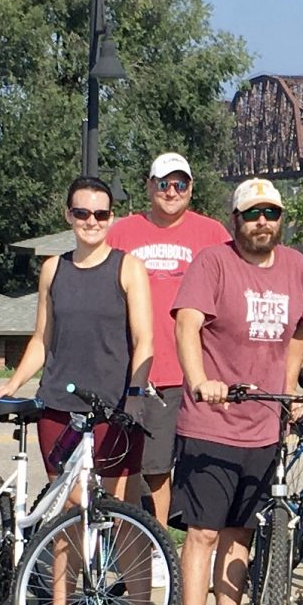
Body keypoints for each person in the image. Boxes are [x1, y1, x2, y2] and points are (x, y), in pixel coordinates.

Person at [171, 178, 303, 605]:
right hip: (212, 422)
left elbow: (301, 327)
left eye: (271, 214)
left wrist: (293, 383)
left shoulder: (296, 266)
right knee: (204, 535)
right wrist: (199, 381)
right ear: (235, 219)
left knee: (240, 536)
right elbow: (186, 325)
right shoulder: (214, 262)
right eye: (253, 214)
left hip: (264, 424)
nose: (263, 223)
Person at [0, 179, 154, 476]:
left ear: (110, 218)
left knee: (119, 512)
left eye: (100, 214)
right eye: (82, 213)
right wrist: (11, 385)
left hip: (112, 408)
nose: (92, 221)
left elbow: (144, 340)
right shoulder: (53, 269)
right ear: (69, 215)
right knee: (69, 509)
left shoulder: (128, 267)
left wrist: (136, 394)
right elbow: (41, 340)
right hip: (57, 406)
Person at [104, 152, 231, 524]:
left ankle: (176, 550)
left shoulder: (212, 233)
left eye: (180, 184)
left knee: (194, 469)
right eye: (163, 183)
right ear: (149, 186)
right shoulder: (121, 232)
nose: (172, 191)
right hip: (142, 372)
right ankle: (152, 551)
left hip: (197, 373)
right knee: (145, 469)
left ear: (191, 188)